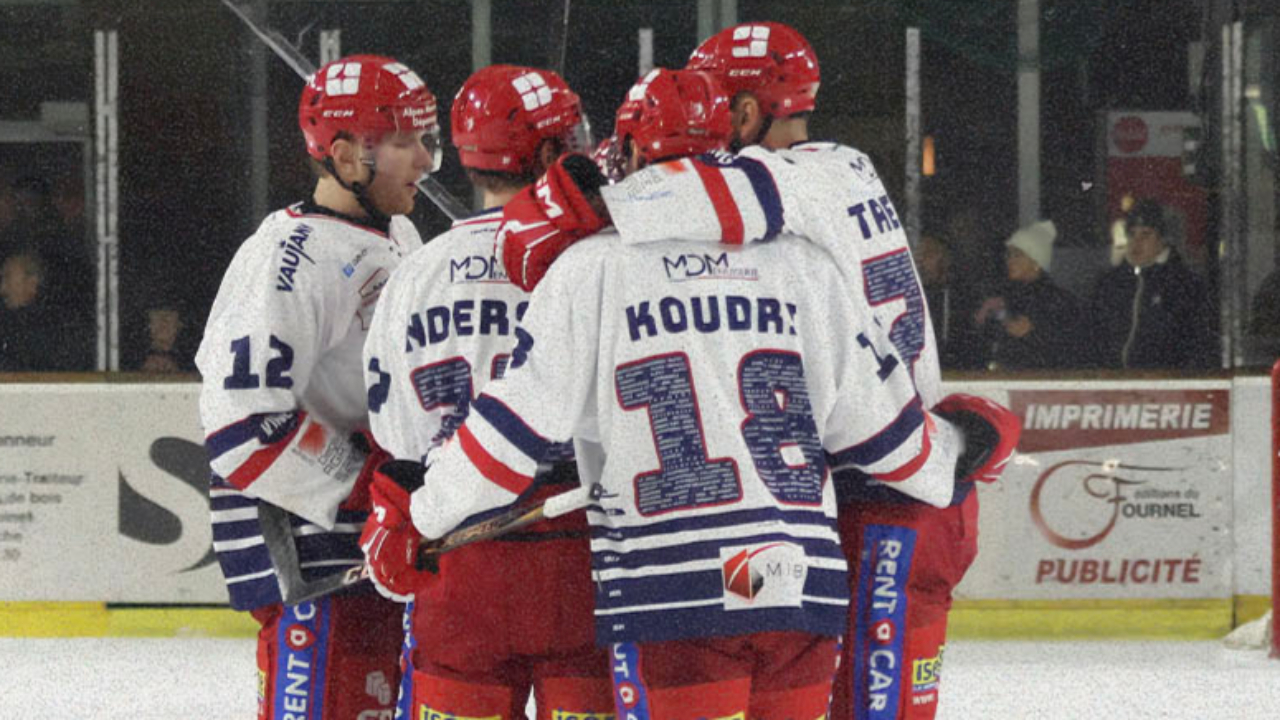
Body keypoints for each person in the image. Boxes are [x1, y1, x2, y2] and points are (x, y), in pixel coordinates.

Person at [364, 66, 1018, 720]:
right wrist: (968, 442)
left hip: (673, 595)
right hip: (795, 588)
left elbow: (507, 441)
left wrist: (416, 516)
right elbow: (893, 445)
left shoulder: (591, 266)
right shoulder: (808, 267)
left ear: (634, 151)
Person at [359, 63, 614, 720]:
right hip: (579, 556)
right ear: (557, 153)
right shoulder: (593, 261)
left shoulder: (415, 273)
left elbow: (392, 432)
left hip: (458, 559)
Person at [194, 54, 436, 720]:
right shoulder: (290, 258)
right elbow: (243, 424)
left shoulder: (401, 233)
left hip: (376, 550)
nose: (423, 160)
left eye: (425, 139)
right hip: (316, 558)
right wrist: (370, 480)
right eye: (404, 142)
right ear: (347, 154)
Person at [1090, 198, 1217, 370]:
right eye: (1132, 234)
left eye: (1146, 234)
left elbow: (1199, 345)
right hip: (1111, 388)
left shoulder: (1184, 285)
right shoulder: (1108, 284)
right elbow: (1091, 338)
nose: (1136, 242)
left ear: (1163, 239)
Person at [973, 220, 1088, 370]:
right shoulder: (1003, 297)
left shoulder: (1058, 301)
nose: (1010, 260)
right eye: (1009, 254)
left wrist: (1032, 333)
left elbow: (1073, 351)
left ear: (1036, 262)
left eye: (1017, 255)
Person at [918, 231, 982, 369]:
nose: (921, 260)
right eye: (919, 254)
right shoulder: (917, 295)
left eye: (928, 254)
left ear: (944, 256)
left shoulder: (964, 294)